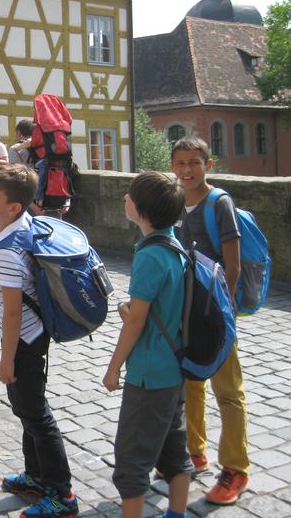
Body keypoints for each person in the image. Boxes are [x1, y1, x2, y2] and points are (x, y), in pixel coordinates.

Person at [0, 101, 77, 518]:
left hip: (23, 339)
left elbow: (9, 312)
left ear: (11, 206)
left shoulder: (8, 248)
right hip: (31, 334)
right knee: (26, 408)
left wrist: (6, 359)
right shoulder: (20, 219)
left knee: (36, 413)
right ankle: (36, 475)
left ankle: (61, 494)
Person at [103, 171, 193, 518]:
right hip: (173, 368)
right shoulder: (174, 244)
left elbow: (137, 321)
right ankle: (177, 513)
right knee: (174, 451)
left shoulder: (148, 256)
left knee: (131, 461)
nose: (124, 197)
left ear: (141, 211)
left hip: (148, 375)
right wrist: (132, 308)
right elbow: (155, 308)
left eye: (129, 195)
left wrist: (113, 369)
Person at [171, 136, 249, 505]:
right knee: (191, 383)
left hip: (216, 313)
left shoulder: (220, 204)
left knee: (228, 392)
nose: (188, 170)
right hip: (187, 311)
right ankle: (194, 451)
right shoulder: (175, 202)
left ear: (208, 165)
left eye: (194, 163)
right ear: (173, 166)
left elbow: (232, 264)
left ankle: (235, 468)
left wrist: (224, 312)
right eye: (181, 163)